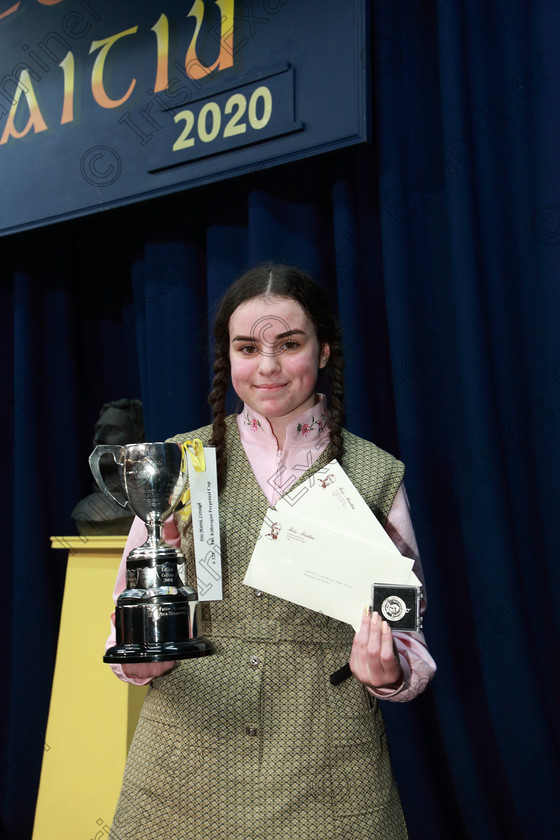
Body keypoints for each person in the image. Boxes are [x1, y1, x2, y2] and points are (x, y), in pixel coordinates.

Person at [107, 264, 436, 840]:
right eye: (247, 347)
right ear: (227, 357)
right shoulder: (180, 466)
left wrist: (389, 670)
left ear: (325, 350)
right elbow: (125, 630)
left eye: (289, 344)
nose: (266, 366)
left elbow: (406, 634)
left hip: (328, 767)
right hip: (187, 761)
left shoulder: (374, 474)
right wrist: (145, 650)